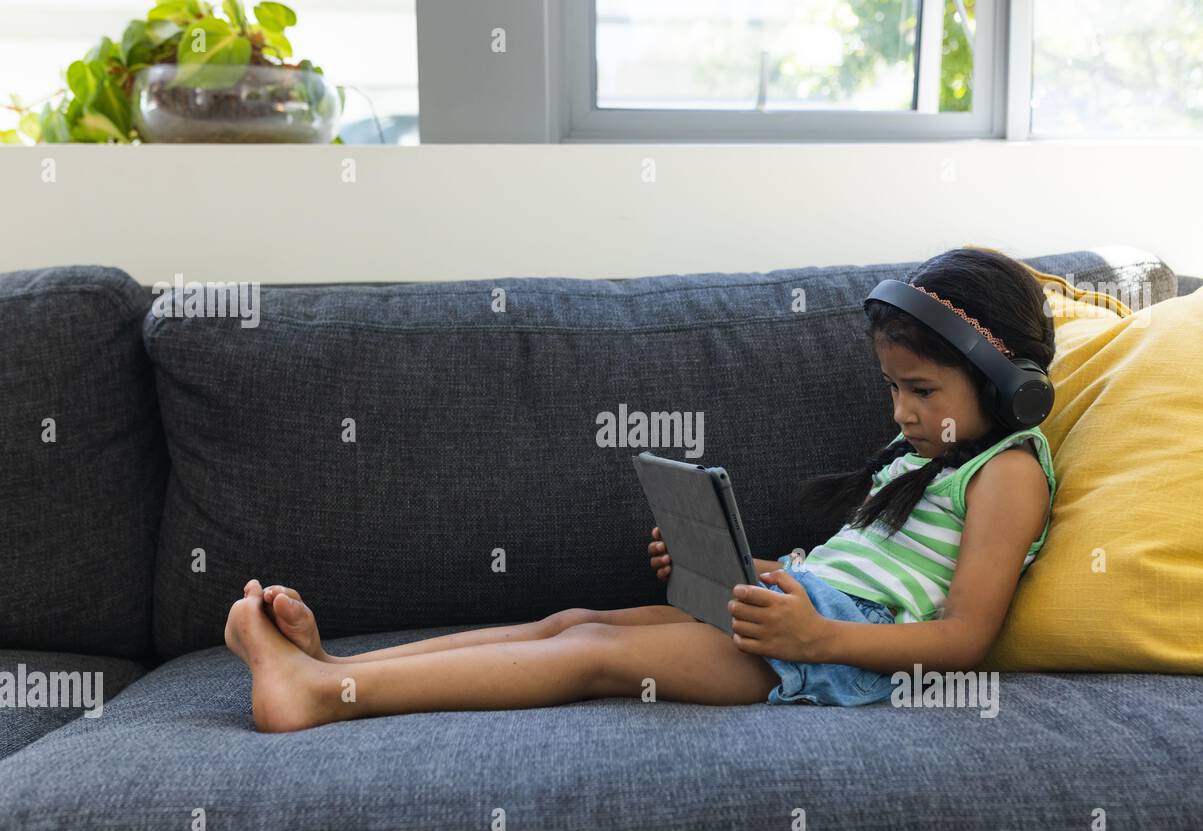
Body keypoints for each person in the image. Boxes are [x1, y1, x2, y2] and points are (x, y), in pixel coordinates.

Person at [224, 246, 1057, 731]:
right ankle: (338, 663)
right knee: (570, 619)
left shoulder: (1009, 471)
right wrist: (738, 566)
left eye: (921, 390)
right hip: (806, 610)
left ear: (1006, 385)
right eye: (894, 389)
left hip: (841, 653)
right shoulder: (924, 457)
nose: (903, 411)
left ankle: (319, 696)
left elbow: (961, 638)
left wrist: (814, 637)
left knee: (594, 657)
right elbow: (873, 567)